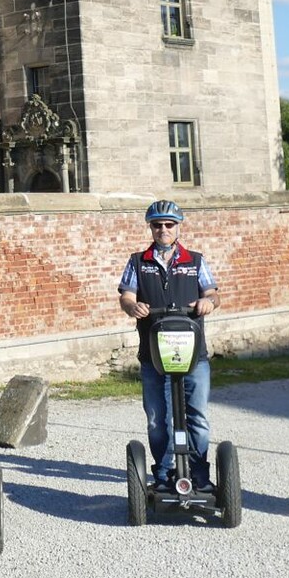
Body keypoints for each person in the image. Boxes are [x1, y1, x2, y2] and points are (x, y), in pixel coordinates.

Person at [118, 199, 221, 490]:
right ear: (150, 227)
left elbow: (213, 293)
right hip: (153, 355)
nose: (163, 229)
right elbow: (126, 295)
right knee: (156, 419)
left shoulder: (195, 261)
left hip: (193, 355)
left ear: (178, 227)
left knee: (197, 417)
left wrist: (207, 302)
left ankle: (200, 476)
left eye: (169, 224)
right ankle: (163, 476)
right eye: (157, 225)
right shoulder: (138, 261)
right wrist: (132, 307)